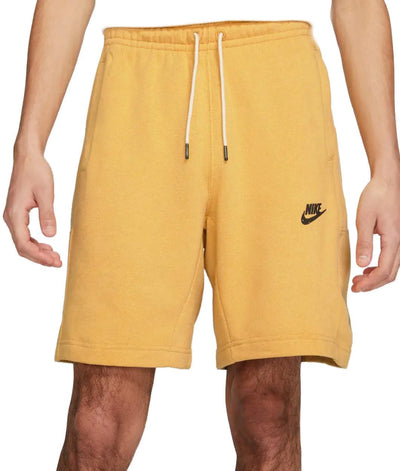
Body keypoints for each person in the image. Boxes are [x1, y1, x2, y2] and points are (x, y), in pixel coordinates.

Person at [3, 0, 400, 469]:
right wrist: (29, 144)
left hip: (277, 92)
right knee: (98, 420)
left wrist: (386, 170)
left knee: (268, 408)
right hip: (138, 90)